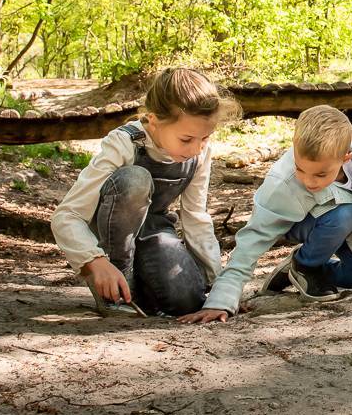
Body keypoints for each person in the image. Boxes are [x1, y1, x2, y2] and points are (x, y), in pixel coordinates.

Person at [179, 104, 352, 323]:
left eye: (321, 173)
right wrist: (222, 299)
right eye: (301, 169)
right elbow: (255, 237)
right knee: (343, 213)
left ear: (346, 159)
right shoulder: (283, 182)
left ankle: (297, 268)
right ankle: (308, 265)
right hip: (303, 223)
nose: (308, 181)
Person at [51, 68, 240, 316]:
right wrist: (94, 262)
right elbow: (67, 216)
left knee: (187, 301)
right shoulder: (124, 143)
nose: (197, 148)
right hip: (109, 233)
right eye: (186, 139)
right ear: (153, 120)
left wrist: (218, 285)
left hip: (154, 229)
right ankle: (113, 287)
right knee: (135, 179)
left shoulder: (200, 152)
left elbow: (196, 216)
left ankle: (141, 290)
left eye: (205, 137)